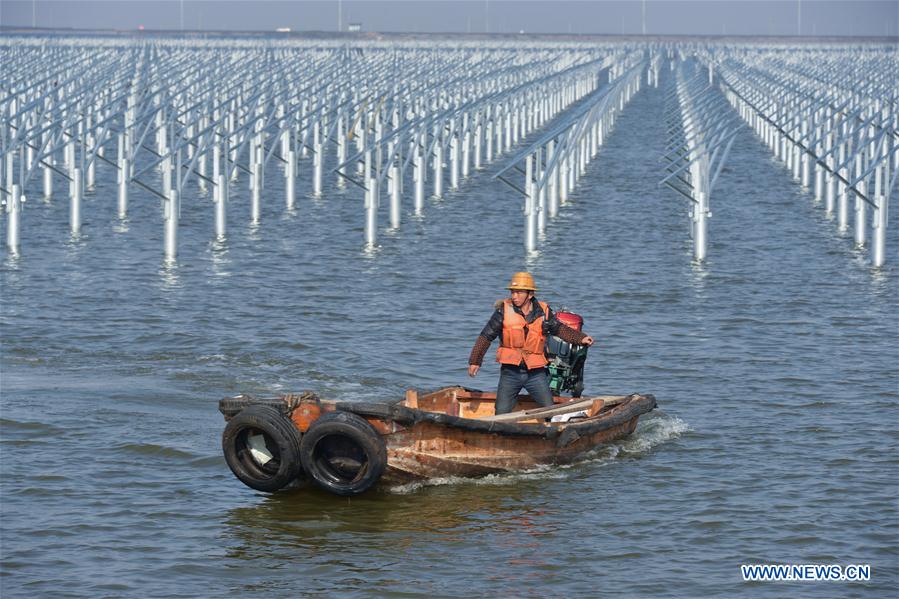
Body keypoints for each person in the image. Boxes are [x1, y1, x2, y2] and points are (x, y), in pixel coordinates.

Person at [468, 272, 594, 415]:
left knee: (550, 410)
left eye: (519, 292)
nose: (514, 296)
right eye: (512, 292)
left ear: (530, 294)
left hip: (535, 373)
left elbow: (559, 329)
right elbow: (486, 336)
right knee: (501, 411)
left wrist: (581, 338)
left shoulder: (544, 312)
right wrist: (475, 361)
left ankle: (551, 426)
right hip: (510, 372)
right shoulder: (503, 311)